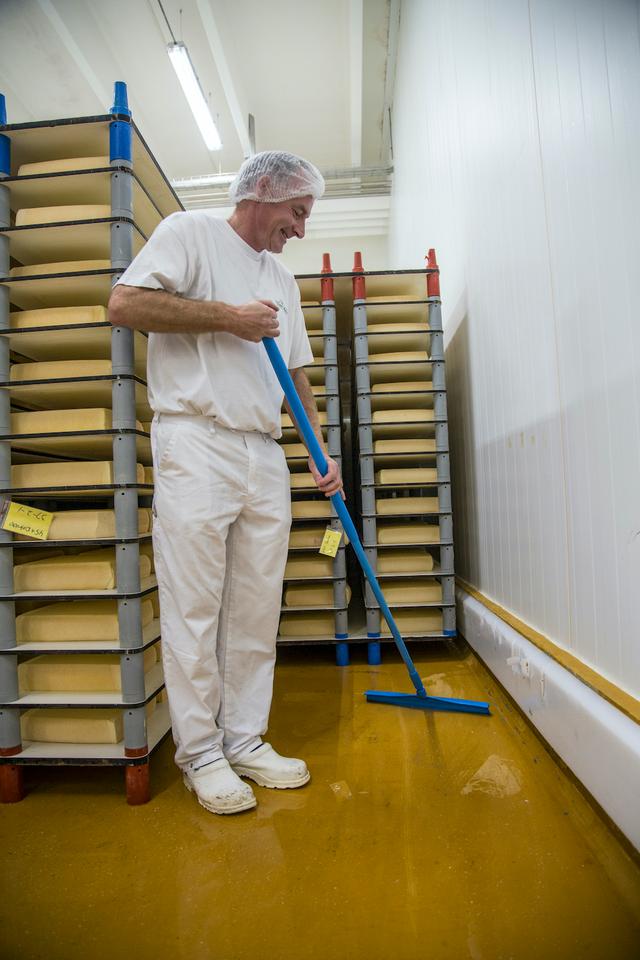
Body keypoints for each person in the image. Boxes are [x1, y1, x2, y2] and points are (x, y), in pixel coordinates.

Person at [108, 151, 342, 815]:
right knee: (195, 608)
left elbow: (297, 374)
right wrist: (228, 319)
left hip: (262, 451)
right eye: (297, 211)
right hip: (197, 441)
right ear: (263, 190)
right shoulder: (190, 234)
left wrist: (320, 455)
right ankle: (203, 754)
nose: (299, 228)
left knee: (254, 608)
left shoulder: (283, 280)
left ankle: (244, 738)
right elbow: (124, 303)